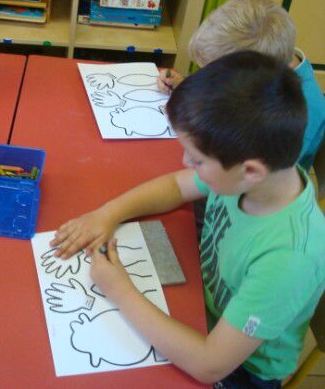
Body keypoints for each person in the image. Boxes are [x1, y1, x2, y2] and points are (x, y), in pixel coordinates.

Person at [53, 52, 325, 388]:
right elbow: (176, 186)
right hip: (200, 301)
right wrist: (107, 214)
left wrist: (118, 289)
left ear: (251, 170)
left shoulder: (288, 259)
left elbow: (210, 365)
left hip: (240, 369)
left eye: (197, 160)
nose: (185, 162)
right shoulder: (259, 175)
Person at [158, 0, 325, 171]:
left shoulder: (296, 117)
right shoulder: (272, 61)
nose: (207, 78)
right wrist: (185, 85)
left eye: (214, 74)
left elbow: (242, 174)